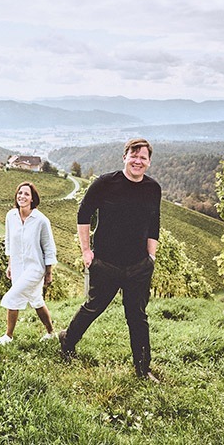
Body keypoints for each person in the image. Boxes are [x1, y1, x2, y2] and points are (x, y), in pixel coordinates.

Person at [58, 138, 161, 381]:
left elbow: (154, 223)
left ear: (149, 162)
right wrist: (86, 251)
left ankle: (143, 369)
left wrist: (151, 257)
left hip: (138, 265)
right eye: (133, 155)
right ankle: (67, 341)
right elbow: (83, 214)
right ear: (124, 157)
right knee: (93, 308)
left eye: (143, 157)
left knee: (137, 317)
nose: (138, 161)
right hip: (106, 263)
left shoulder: (153, 188)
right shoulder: (105, 183)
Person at [0, 181, 57, 345]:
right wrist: (10, 264)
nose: (22, 196)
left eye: (26, 194)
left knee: (12, 296)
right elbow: (9, 242)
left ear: (32, 199)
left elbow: (49, 248)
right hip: (17, 267)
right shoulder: (11, 216)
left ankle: (8, 336)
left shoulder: (41, 220)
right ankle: (51, 332)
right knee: (36, 300)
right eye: (20, 193)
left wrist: (49, 272)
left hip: (35, 268)